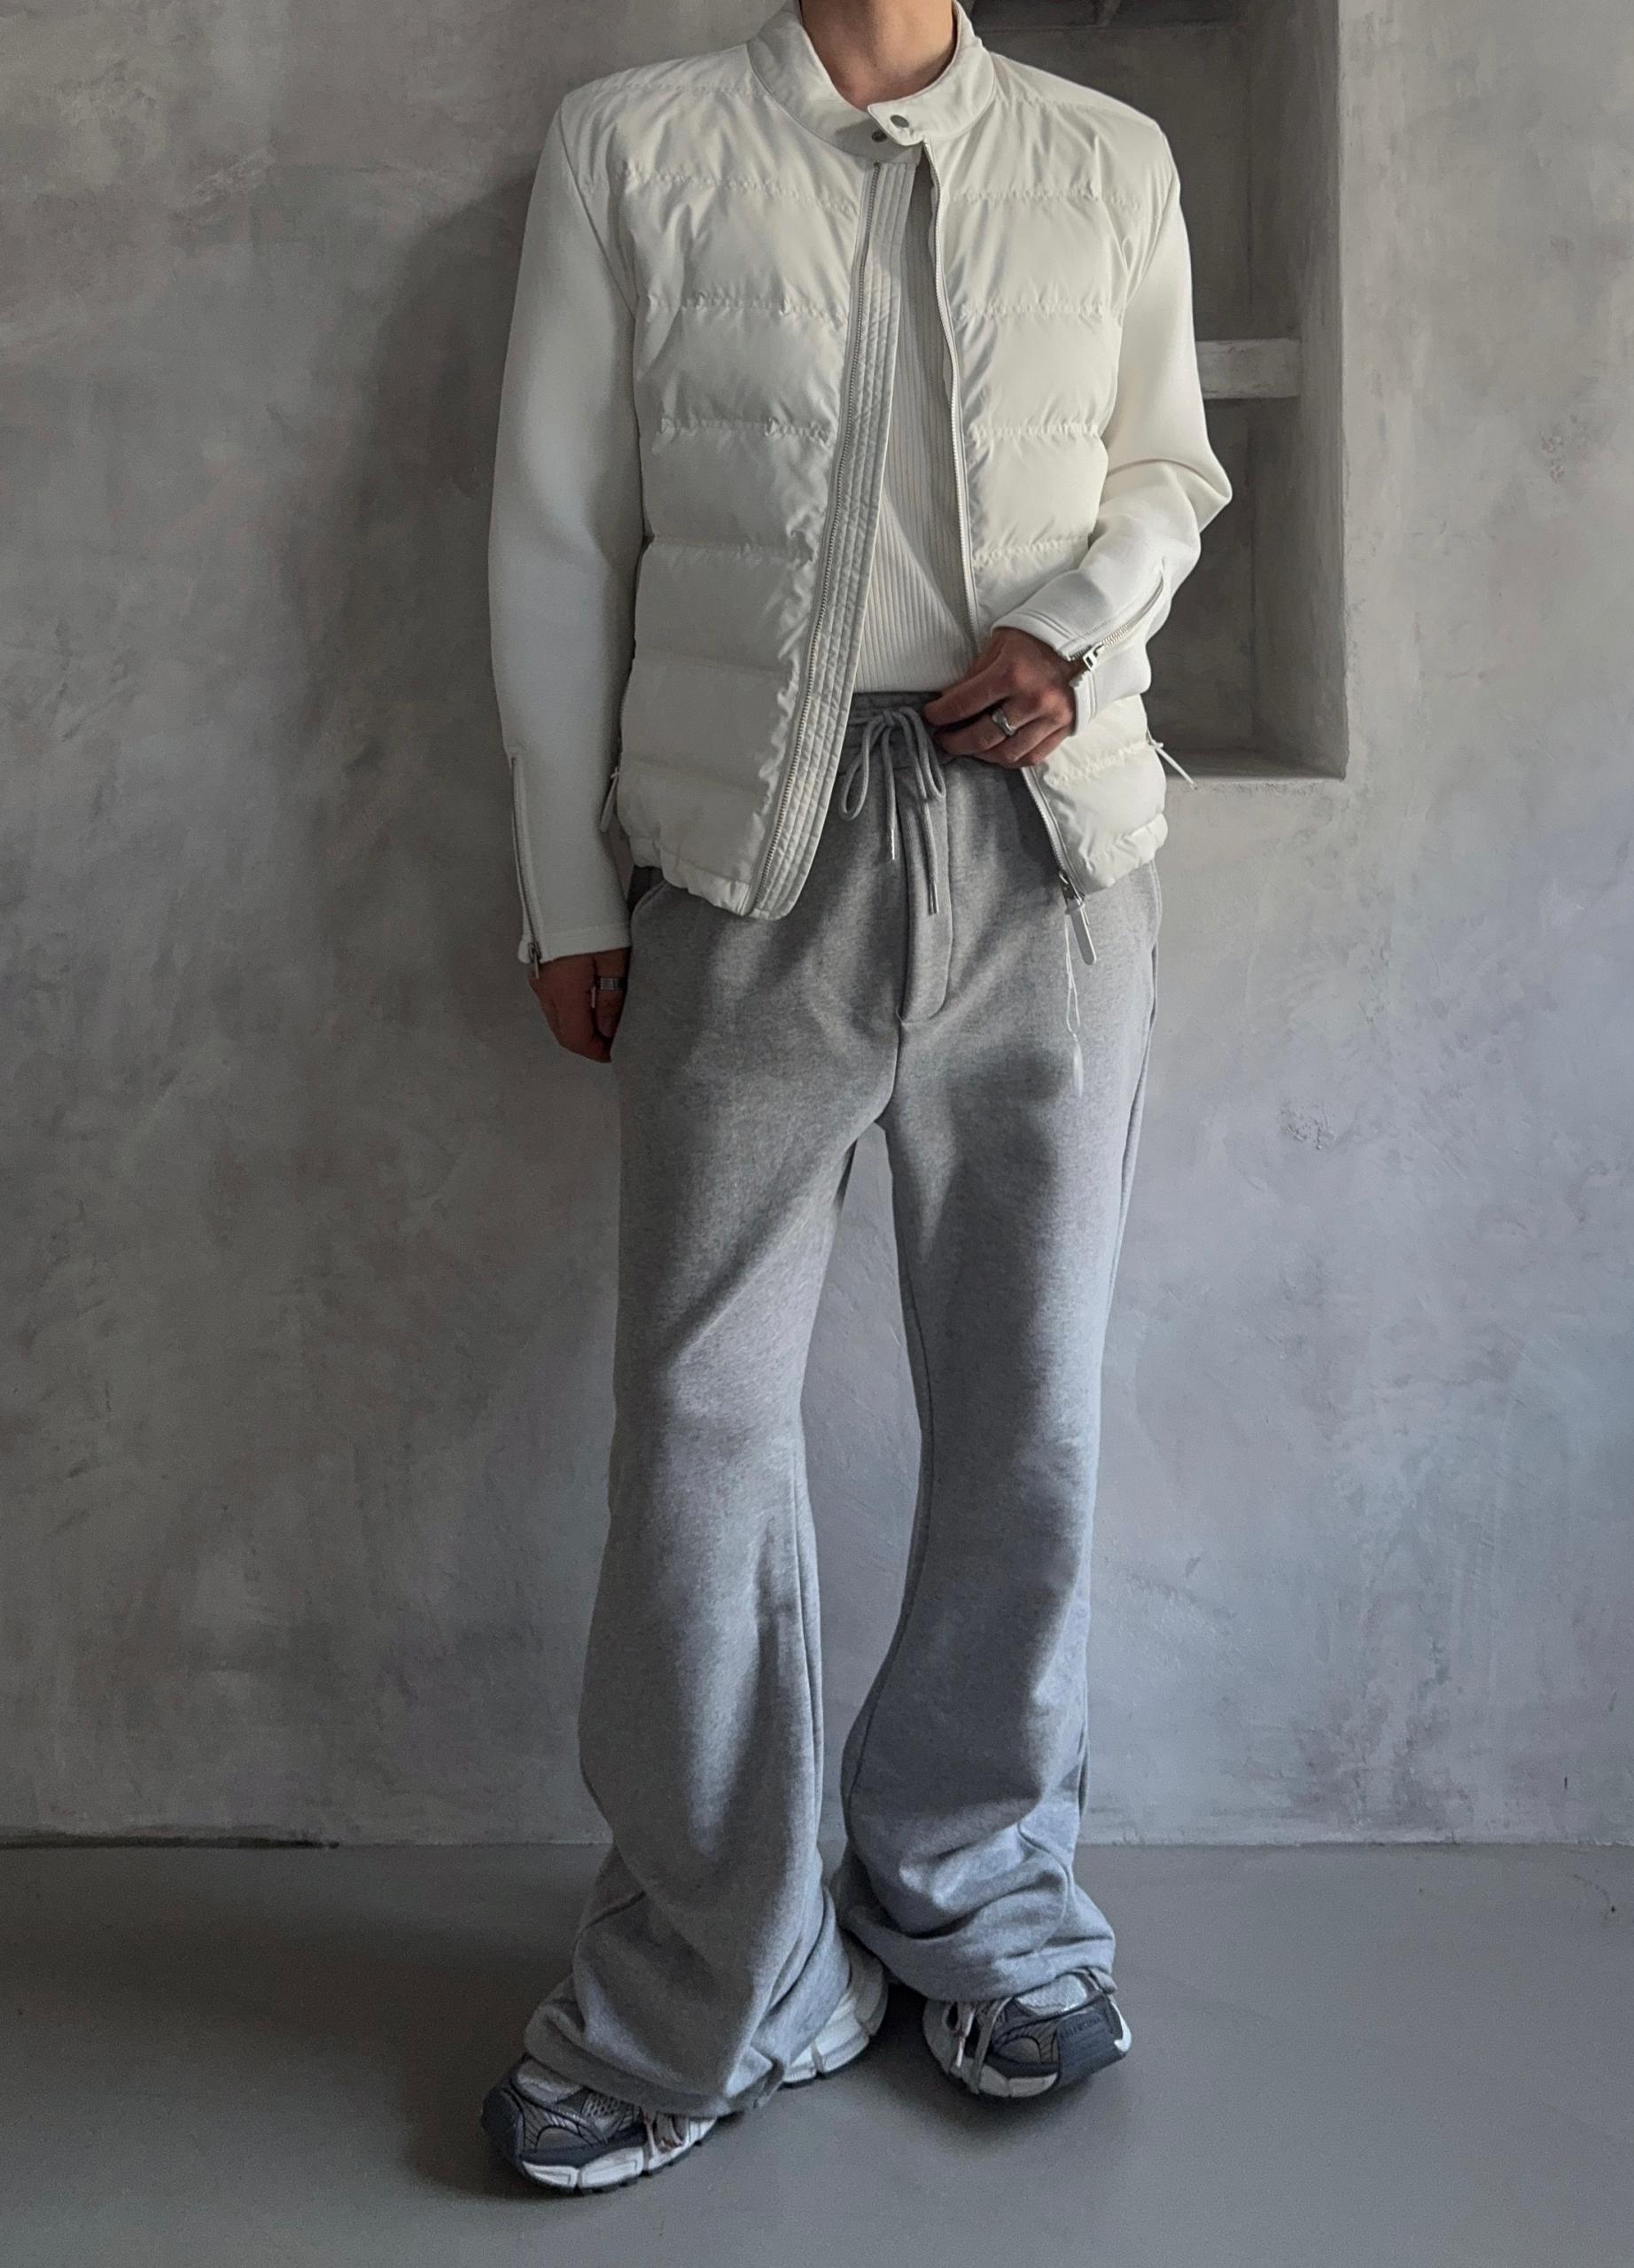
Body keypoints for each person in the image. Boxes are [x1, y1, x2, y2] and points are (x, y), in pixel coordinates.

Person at [480, 0, 1230, 2194]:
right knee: (699, 1419)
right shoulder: (635, 146)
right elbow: (556, 527)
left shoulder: (1108, 153)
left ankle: (979, 1892)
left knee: (1027, 1401)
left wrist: (1077, 623)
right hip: (746, 851)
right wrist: (562, 889)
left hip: (1047, 854)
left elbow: (1169, 464)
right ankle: (722, 1958)